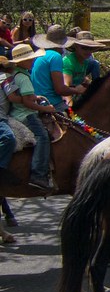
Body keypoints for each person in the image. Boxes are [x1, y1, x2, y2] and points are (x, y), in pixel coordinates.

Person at [4, 43, 59, 190]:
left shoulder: (15, 74)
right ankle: (38, 174)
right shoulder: (24, 78)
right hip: (26, 115)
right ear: (21, 62)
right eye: (30, 59)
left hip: (16, 112)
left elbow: (23, 96)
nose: (33, 61)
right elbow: (27, 103)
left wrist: (35, 96)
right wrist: (46, 108)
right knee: (42, 137)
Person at [30, 24, 81, 112]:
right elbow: (60, 89)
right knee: (79, 123)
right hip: (52, 102)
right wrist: (77, 90)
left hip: (39, 100)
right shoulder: (55, 56)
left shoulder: (41, 54)